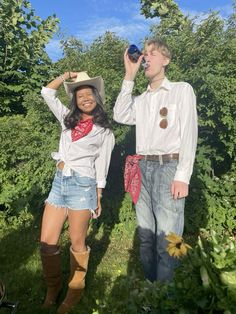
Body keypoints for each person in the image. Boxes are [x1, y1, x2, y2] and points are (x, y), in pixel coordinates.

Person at [113, 38, 198, 283]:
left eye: (152, 53)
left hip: (169, 167)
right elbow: (120, 115)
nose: (146, 57)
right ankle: (153, 291)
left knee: (170, 239)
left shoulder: (181, 90)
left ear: (166, 60)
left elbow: (189, 134)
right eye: (144, 54)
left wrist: (183, 175)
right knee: (147, 237)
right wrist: (129, 76)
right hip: (143, 167)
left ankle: (171, 296)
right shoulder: (142, 100)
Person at [40, 71, 115, 314]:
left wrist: (99, 195)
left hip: (83, 186)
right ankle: (53, 286)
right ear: (75, 100)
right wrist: (66, 76)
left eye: (89, 94)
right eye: (79, 95)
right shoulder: (66, 119)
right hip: (59, 182)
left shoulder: (104, 131)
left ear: (96, 98)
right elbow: (47, 92)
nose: (84, 98)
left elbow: (102, 165)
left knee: (77, 242)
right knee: (47, 243)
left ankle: (75, 289)